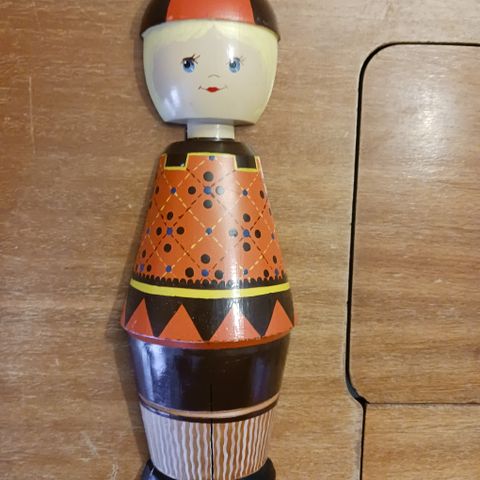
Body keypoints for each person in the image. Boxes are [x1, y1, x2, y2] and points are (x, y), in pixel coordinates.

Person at [121, 1, 295, 478]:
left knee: (249, 341)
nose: (213, 78)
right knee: (169, 340)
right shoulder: (176, 168)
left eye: (235, 64)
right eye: (189, 63)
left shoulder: (243, 169)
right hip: (170, 310)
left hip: (249, 304)